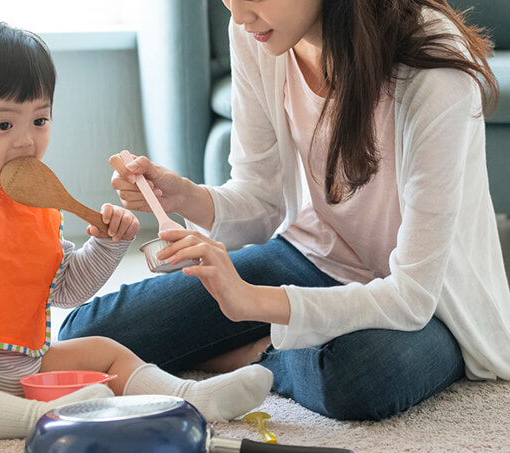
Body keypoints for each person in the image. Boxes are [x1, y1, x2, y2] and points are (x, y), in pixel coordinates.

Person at [60, 0, 510, 421]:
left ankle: (258, 354)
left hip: (432, 304)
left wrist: (252, 302)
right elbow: (261, 198)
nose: (238, 17)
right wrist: (184, 197)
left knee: (356, 374)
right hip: (312, 255)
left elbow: (412, 296)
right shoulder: (262, 36)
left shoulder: (433, 65)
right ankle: (280, 340)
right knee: (84, 339)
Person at [0, 22, 273, 440]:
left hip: (27, 364)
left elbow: (66, 290)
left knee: (102, 348)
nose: (26, 140)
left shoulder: (39, 202)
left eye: (39, 120)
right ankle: (41, 419)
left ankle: (191, 397)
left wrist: (106, 244)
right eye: (3, 125)